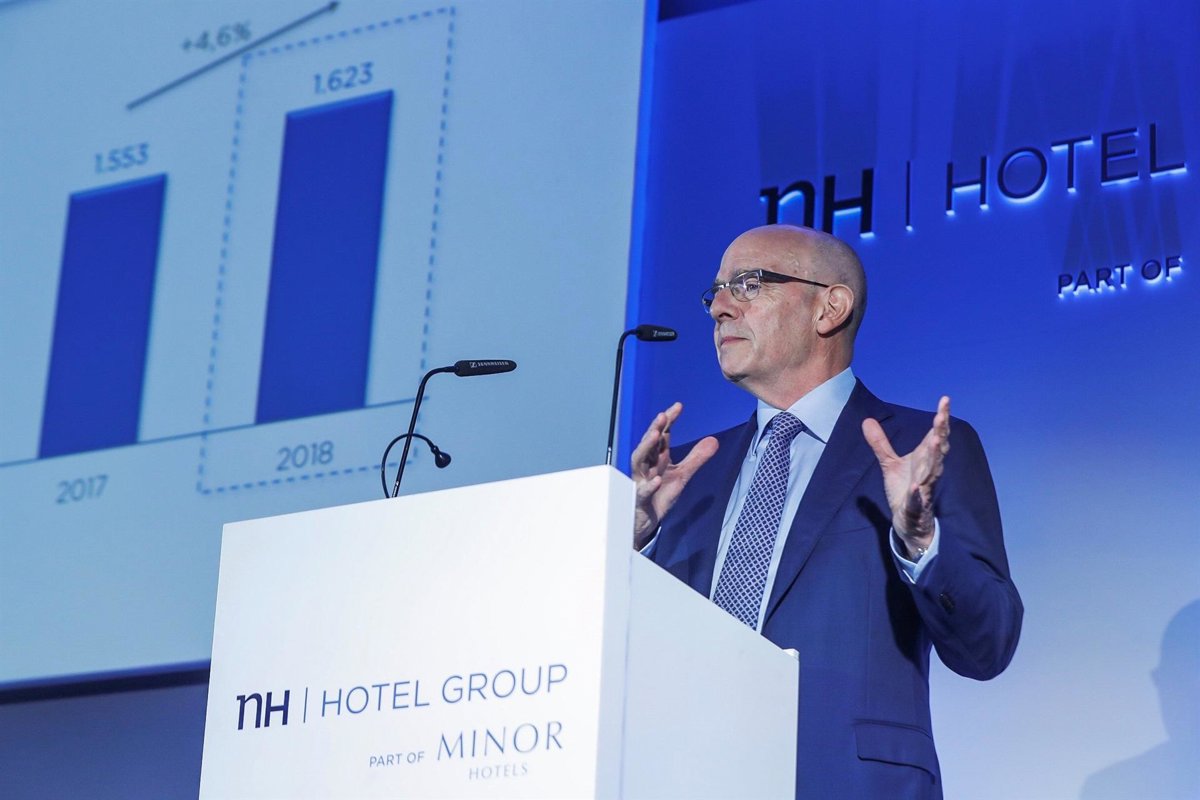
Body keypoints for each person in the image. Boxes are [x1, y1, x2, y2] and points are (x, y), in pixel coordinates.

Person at [632, 224, 1022, 799]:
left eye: (748, 284)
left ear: (830, 308)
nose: (718, 308)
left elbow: (987, 645)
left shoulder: (918, 449)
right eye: (715, 291)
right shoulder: (684, 474)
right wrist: (633, 541)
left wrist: (921, 542)